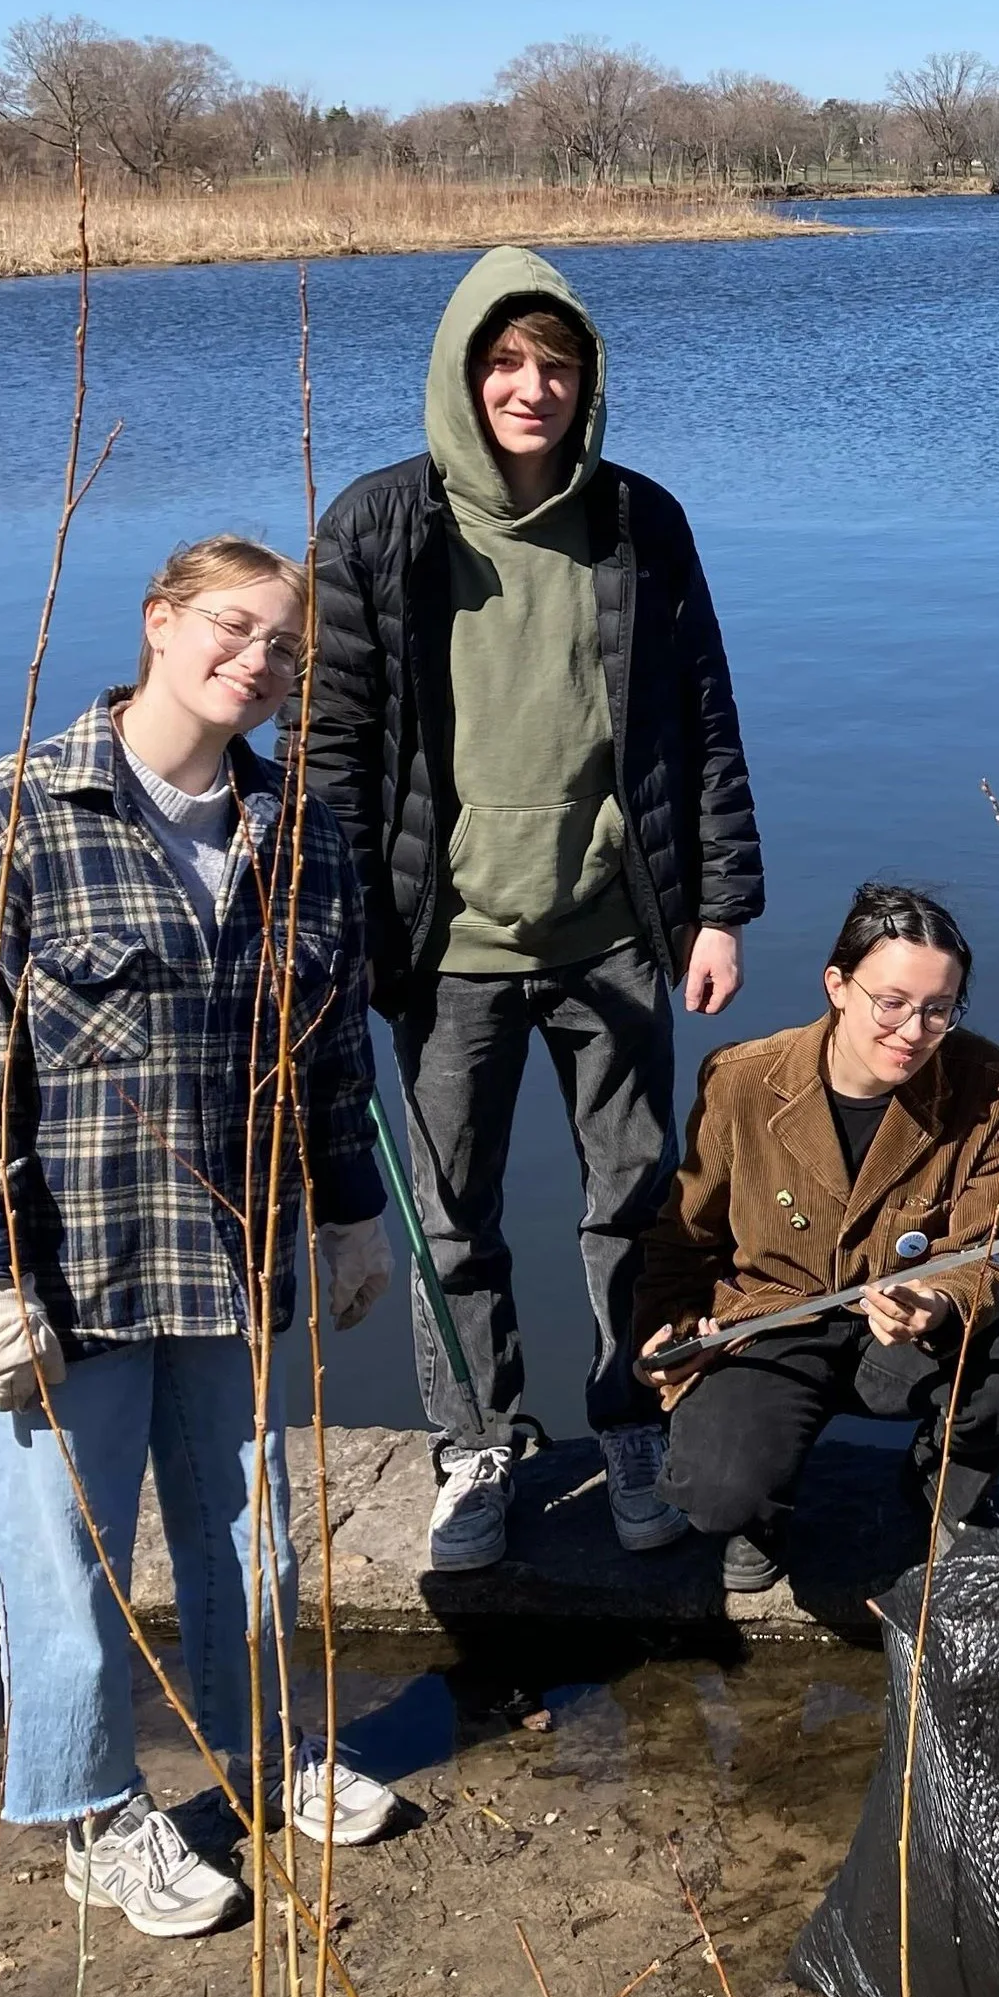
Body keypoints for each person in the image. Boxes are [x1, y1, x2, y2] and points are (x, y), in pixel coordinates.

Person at [0, 536, 403, 1940]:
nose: (257, 663)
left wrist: (353, 1217)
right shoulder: (10, 824)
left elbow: (332, 1053)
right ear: (158, 624)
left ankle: (274, 1747)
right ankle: (96, 1812)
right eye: (233, 630)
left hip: (234, 1255)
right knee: (66, 1556)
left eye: (285, 649)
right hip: (74, 1270)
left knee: (256, 1531)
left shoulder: (301, 827)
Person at [302, 247, 763, 1574]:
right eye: (505, 362)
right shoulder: (378, 526)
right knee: (457, 1220)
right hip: (443, 949)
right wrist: (332, 930)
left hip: (615, 937)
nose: (531, 386)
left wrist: (718, 907)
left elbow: (704, 724)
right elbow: (333, 749)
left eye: (556, 365)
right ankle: (479, 1450)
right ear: (463, 373)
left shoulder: (640, 522)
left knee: (631, 1207)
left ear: (587, 381)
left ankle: (630, 1427)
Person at [634, 885, 999, 1593]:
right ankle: (758, 1514)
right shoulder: (742, 1080)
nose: (912, 1031)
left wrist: (941, 1302)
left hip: (902, 1332)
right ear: (837, 984)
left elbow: (992, 1250)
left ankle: (938, 1487)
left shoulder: (990, 1088)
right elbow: (683, 1239)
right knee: (716, 1495)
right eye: (890, 1003)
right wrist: (668, 1335)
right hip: (769, 1322)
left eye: (938, 1010)